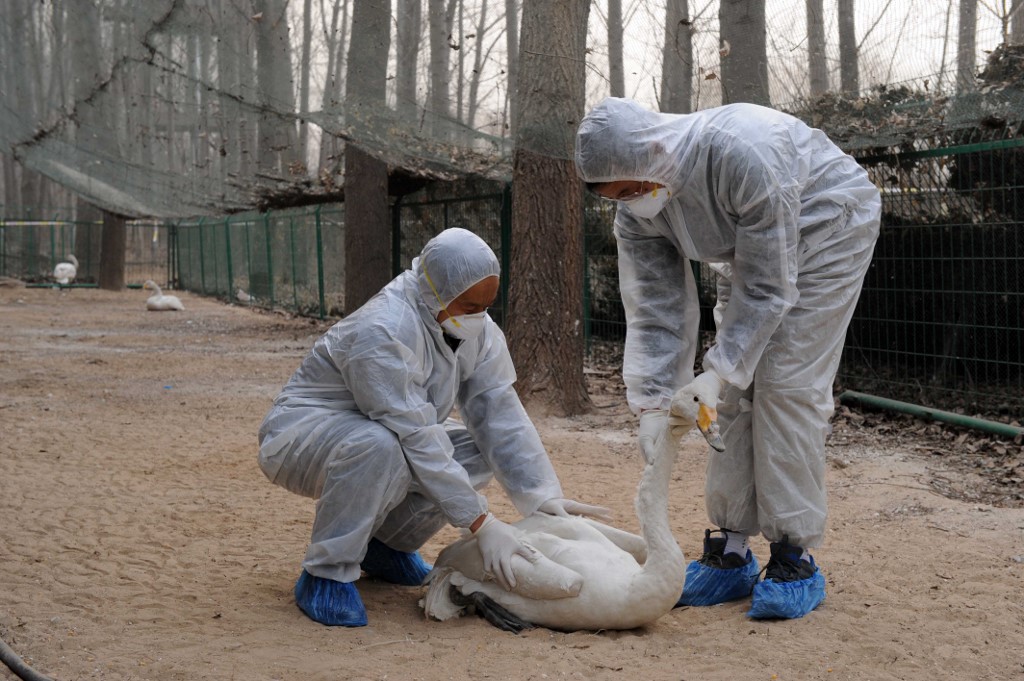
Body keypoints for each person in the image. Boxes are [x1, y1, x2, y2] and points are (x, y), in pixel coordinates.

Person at [574, 97, 881, 620]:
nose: (629, 202)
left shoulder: (743, 153)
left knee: (786, 384)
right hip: (751, 247)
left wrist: (715, 371)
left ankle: (794, 556)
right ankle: (730, 550)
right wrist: (652, 404)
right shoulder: (637, 214)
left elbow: (768, 289)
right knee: (732, 397)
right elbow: (656, 311)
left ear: (653, 148)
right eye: (614, 197)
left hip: (829, 222)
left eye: (630, 189)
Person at [257, 227, 609, 627]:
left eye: (487, 304)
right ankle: (325, 573)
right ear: (434, 290)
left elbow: (499, 412)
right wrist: (482, 523)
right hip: (300, 436)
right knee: (382, 445)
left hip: (388, 433)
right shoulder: (382, 329)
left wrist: (542, 496)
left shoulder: (476, 329)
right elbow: (414, 434)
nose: (478, 316)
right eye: (469, 305)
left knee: (474, 448)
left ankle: (385, 547)